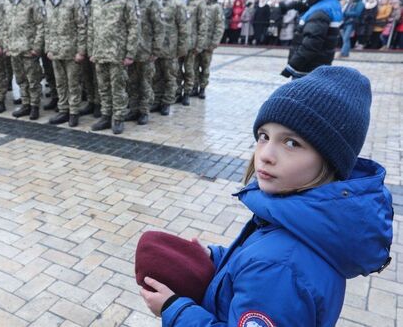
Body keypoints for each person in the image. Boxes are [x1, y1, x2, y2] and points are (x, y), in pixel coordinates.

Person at [140, 66, 393, 326]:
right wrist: (218, 257)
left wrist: (175, 310)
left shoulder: (279, 269)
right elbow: (262, 261)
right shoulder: (298, 222)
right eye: (264, 136)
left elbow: (272, 269)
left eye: (291, 142)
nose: (265, 155)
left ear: (331, 161)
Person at [88, 0, 139, 134]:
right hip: (100, 52)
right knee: (103, 87)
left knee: (117, 87)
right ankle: (105, 115)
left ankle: (118, 118)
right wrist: (91, 50)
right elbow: (91, 26)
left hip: (118, 52)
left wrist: (130, 53)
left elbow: (134, 26)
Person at [281, 0, 343, 79]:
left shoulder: (321, 11)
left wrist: (291, 67)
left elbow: (310, 45)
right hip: (317, 66)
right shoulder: (330, 3)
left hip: (306, 69)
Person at [44, 0, 87, 126]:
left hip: (71, 51)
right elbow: (47, 27)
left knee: (73, 83)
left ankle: (74, 112)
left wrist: (81, 51)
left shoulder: (75, 0)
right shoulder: (49, 1)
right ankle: (63, 110)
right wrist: (48, 47)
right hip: (55, 51)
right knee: (60, 82)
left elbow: (82, 27)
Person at [2, 0, 45, 121]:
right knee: (20, 79)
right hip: (14, 49)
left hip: (28, 49)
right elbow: (5, 26)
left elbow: (41, 24)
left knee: (33, 80)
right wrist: (6, 45)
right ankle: (25, 103)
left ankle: (34, 106)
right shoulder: (8, 2)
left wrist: (36, 47)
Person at [125, 0, 163, 125]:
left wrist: (156, 49)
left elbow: (159, 27)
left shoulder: (152, 0)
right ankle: (133, 110)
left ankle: (144, 111)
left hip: (145, 50)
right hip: (129, 50)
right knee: (131, 82)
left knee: (145, 82)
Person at [151, 0, 185, 116]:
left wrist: (181, 48)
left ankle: (166, 103)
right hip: (155, 48)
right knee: (156, 76)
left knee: (170, 77)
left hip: (170, 48)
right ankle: (156, 101)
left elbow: (183, 27)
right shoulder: (154, 2)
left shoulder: (177, 3)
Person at [176, 0, 206, 105]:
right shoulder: (176, 0)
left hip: (191, 43)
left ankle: (187, 92)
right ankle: (177, 92)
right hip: (176, 43)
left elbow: (203, 25)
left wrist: (199, 45)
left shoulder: (199, 2)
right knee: (176, 70)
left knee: (189, 70)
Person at [194, 0, 224, 99]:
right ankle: (194, 87)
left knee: (205, 67)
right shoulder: (196, 5)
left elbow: (219, 25)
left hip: (208, 43)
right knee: (193, 67)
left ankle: (202, 88)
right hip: (196, 43)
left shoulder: (215, 7)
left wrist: (215, 42)